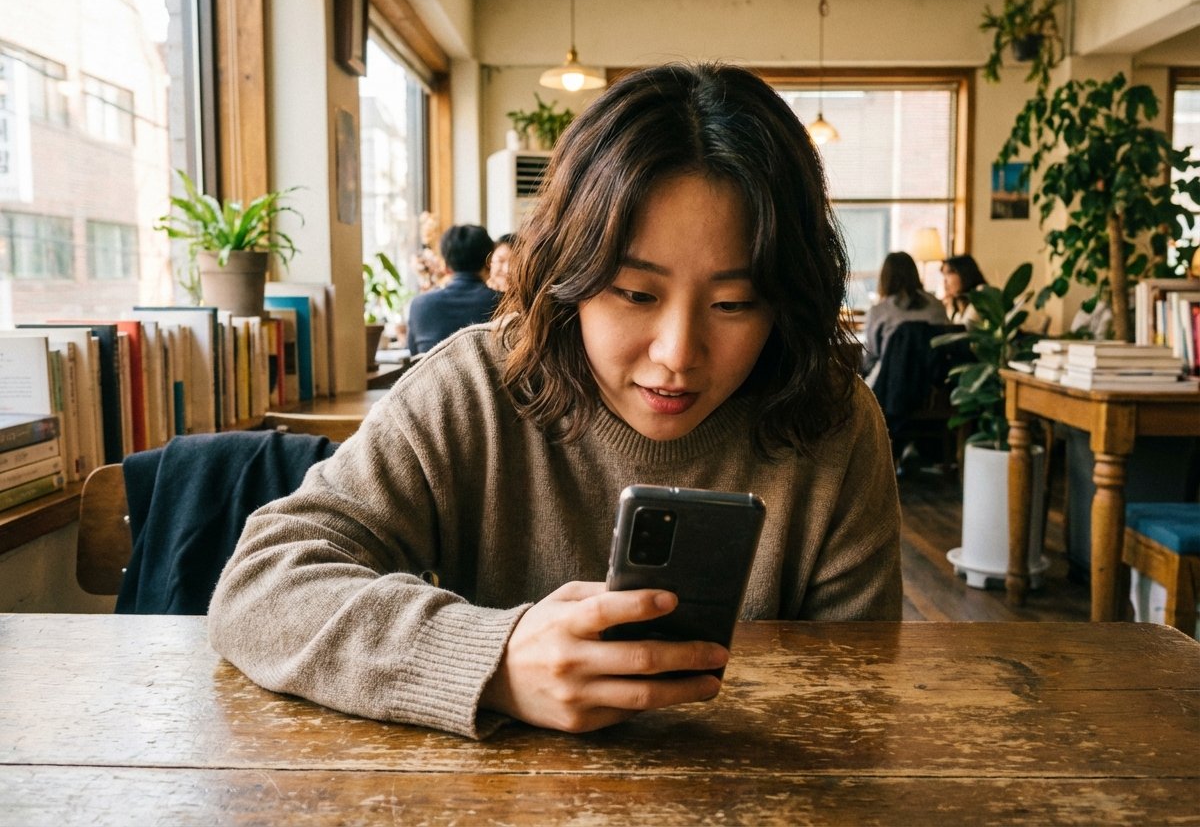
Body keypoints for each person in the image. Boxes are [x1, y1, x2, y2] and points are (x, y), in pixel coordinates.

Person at [208, 62, 903, 740]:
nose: (678, 353)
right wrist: (493, 659)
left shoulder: (831, 421)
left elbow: (858, 696)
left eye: (734, 303)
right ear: (568, 274)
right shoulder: (477, 385)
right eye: (635, 293)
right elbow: (262, 585)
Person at [406, 223, 501, 354]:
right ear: (489, 260)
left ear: (445, 264)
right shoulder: (502, 302)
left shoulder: (419, 304)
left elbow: (413, 356)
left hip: (433, 375)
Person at [861, 251, 948, 385]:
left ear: (885, 278)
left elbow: (871, 355)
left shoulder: (878, 311)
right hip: (934, 386)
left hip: (892, 386)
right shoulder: (937, 306)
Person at [941, 254, 988, 326]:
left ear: (964, 273)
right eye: (944, 275)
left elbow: (964, 331)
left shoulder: (981, 293)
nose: (944, 280)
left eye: (949, 274)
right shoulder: (956, 303)